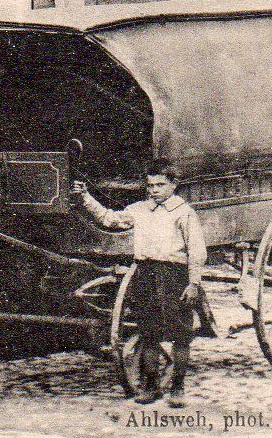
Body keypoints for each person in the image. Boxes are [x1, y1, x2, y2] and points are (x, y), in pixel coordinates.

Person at [72, 159, 207, 407]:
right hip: (145, 273)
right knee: (148, 332)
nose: (154, 190)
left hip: (174, 274)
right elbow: (110, 220)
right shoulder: (139, 210)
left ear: (173, 185)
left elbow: (196, 251)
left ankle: (178, 388)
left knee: (180, 335)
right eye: (150, 185)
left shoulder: (184, 213)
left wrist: (193, 283)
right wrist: (85, 198)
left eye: (160, 185)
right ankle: (152, 386)